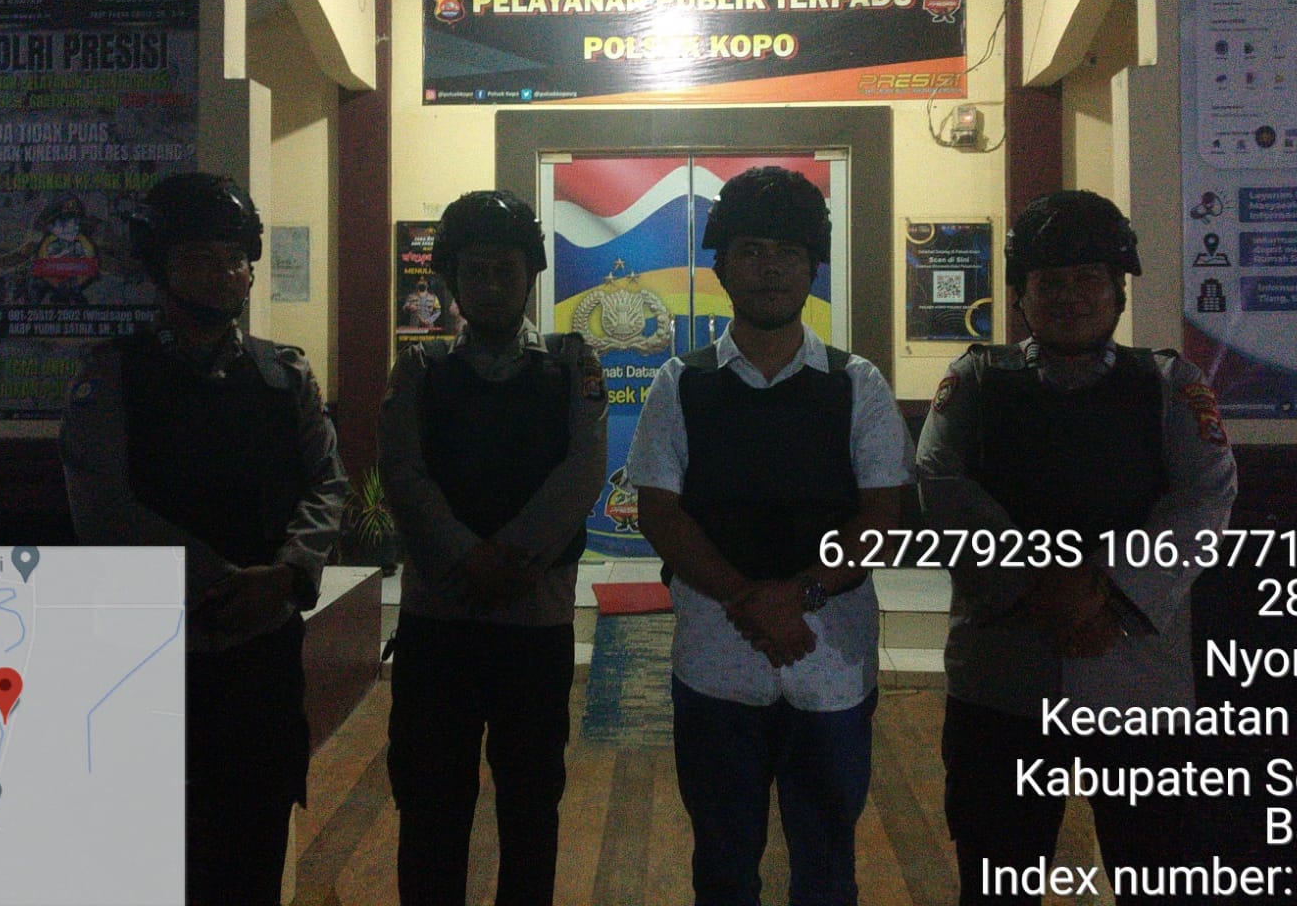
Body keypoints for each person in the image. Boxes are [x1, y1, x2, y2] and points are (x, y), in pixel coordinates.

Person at [915, 190, 1237, 905]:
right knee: (996, 878)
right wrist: (1042, 586)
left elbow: (1205, 496)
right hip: (1004, 677)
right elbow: (941, 482)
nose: (1068, 296)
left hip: (1135, 680)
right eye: (1049, 281)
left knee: (1157, 876)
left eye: (1088, 278)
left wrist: (1109, 594)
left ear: (1119, 290)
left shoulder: (1170, 385)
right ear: (1021, 295)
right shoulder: (975, 382)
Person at [626, 166, 914, 906]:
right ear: (721, 266)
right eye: (751, 250)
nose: (771, 267)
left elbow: (881, 514)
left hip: (833, 663)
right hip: (715, 660)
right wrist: (750, 600)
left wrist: (800, 595)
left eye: (788, 251)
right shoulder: (679, 382)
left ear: (813, 267)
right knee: (723, 867)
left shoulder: (858, 383)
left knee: (828, 868)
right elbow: (660, 511)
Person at [60, 173, 345, 905]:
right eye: (196, 258)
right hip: (151, 656)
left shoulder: (285, 376)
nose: (223, 275)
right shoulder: (113, 376)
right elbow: (104, 511)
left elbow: (326, 483)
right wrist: (221, 582)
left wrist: (286, 575)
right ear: (159, 266)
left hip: (262, 656)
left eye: (234, 258)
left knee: (255, 847)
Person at [378, 189, 607, 906]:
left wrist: (507, 558)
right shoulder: (420, 370)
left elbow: (583, 472)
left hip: (533, 623)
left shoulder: (570, 362)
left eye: (505, 269)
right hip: (438, 626)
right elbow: (404, 475)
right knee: (429, 806)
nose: (490, 285)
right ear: (450, 278)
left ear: (531, 273)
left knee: (531, 807)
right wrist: (468, 558)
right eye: (473, 271)